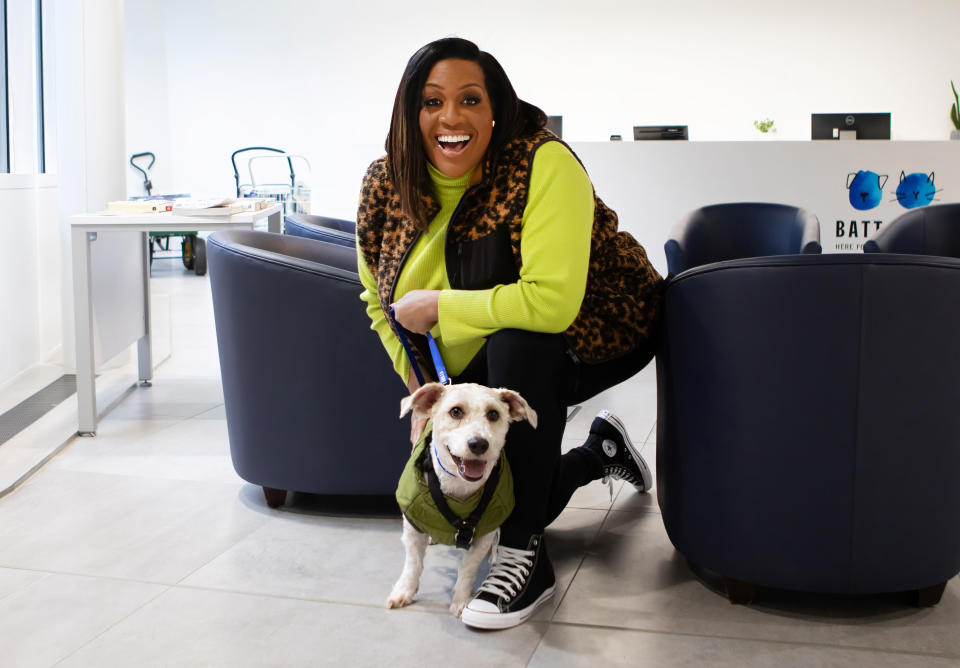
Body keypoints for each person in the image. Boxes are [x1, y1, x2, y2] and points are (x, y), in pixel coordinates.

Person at [356, 37, 663, 630]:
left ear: (495, 107)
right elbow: (378, 302)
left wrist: (442, 305)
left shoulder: (541, 164)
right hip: (492, 349)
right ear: (409, 113)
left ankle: (526, 556)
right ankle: (599, 453)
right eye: (431, 102)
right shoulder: (383, 185)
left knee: (519, 344)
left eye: (470, 99)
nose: (451, 117)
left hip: (605, 324)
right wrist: (428, 391)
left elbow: (550, 303)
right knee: (492, 495)